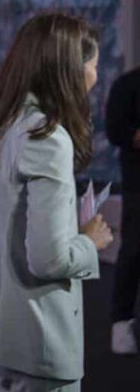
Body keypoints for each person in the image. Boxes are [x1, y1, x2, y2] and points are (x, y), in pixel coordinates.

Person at [0, 12, 113, 391]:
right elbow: (49, 259)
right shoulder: (47, 139)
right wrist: (90, 242)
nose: (95, 76)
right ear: (69, 70)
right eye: (93, 65)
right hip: (38, 346)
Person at [105, 64, 140, 354]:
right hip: (138, 184)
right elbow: (115, 130)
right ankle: (121, 322)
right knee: (133, 250)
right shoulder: (127, 85)